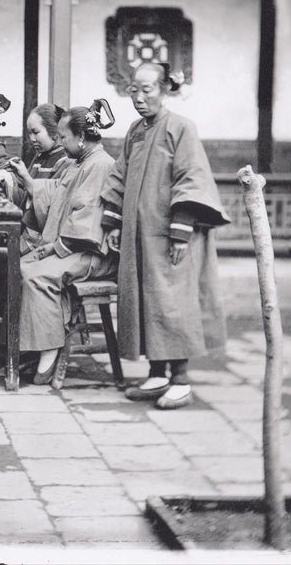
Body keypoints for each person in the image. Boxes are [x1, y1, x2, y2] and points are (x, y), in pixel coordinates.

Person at [100, 62, 230, 410]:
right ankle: (157, 373)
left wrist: (179, 232)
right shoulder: (135, 130)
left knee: (173, 303)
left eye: (148, 90)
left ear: (165, 89)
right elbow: (119, 175)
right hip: (138, 235)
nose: (140, 98)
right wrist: (113, 223)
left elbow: (192, 178)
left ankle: (181, 379)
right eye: (134, 90)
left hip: (171, 234)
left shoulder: (181, 128)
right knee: (146, 300)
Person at [10, 100, 119, 384]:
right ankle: (35, 346)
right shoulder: (79, 162)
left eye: (63, 137)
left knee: (36, 275)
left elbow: (88, 218)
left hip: (91, 251)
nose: (59, 141)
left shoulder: (101, 165)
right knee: (19, 265)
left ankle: (50, 346)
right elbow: (55, 193)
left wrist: (55, 247)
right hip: (71, 244)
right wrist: (26, 180)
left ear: (81, 138)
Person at [15, 103, 69, 253]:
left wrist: (25, 176)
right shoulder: (40, 157)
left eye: (36, 132)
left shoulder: (64, 160)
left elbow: (52, 203)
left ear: (54, 132)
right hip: (27, 230)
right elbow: (27, 197)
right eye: (29, 133)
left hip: (42, 236)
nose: (31, 139)